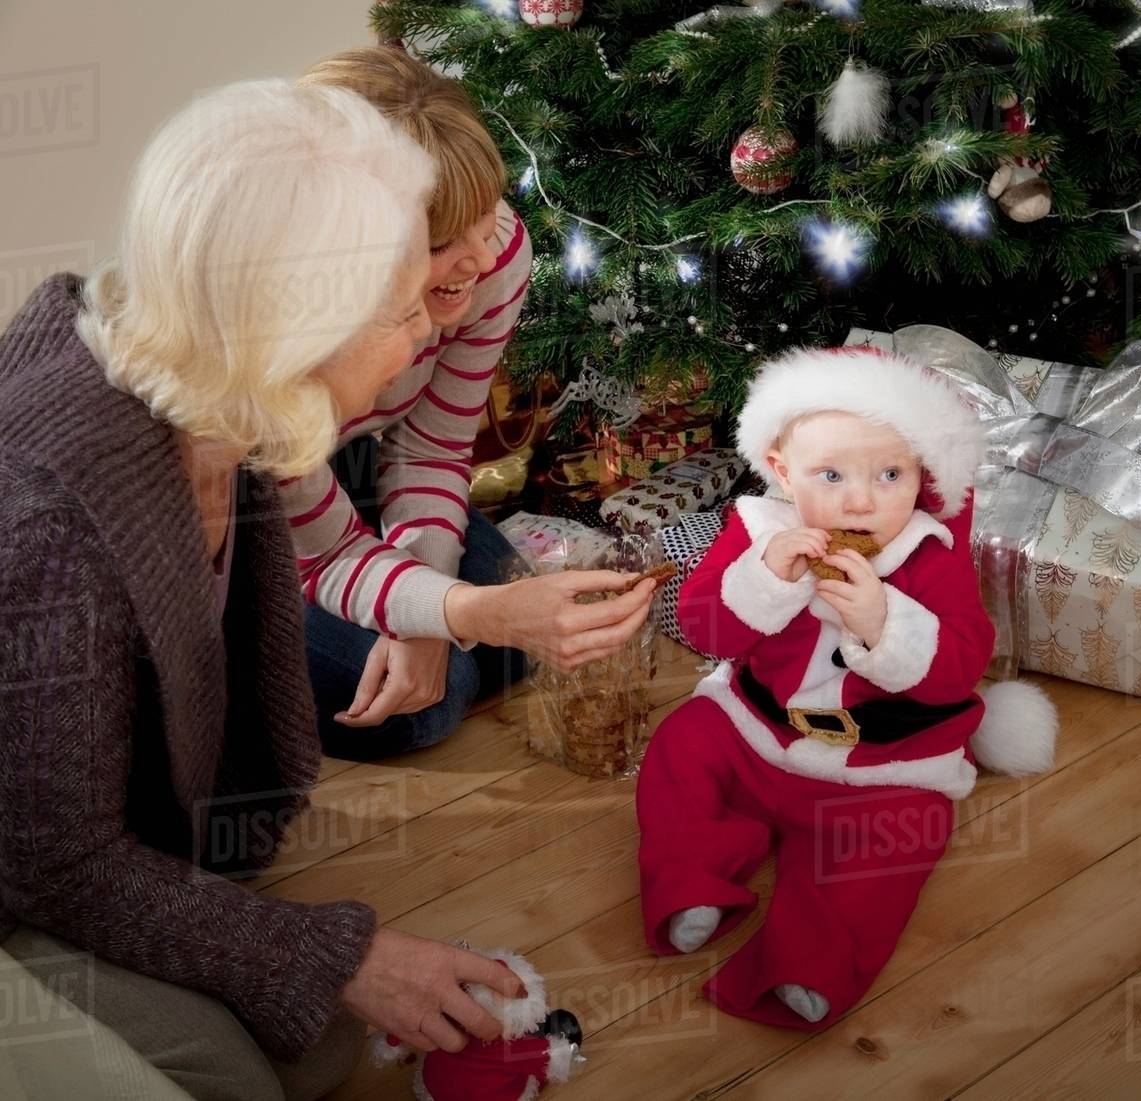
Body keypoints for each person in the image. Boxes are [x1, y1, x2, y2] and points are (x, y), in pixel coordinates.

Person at [0, 78, 653, 1101]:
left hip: (73, 837)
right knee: (241, 1076)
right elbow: (48, 860)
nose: (421, 346)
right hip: (25, 873)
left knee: (318, 1049)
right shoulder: (49, 518)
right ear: (301, 331)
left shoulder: (227, 399)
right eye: (403, 313)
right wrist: (340, 957)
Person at [636, 346, 1057, 1030]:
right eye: (830, 474)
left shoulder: (928, 554)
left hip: (880, 770)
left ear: (920, 475)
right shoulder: (759, 529)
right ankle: (690, 879)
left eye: (888, 474)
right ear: (781, 469)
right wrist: (767, 577)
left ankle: (810, 957)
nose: (860, 500)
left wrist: (885, 622)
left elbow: (959, 660)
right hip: (757, 732)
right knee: (682, 746)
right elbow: (703, 626)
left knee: (900, 839)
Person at [286, 46, 542, 760]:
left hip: (355, 460)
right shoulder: (278, 343)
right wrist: (426, 610)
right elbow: (322, 546)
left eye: (484, 217)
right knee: (423, 706)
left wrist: (425, 611)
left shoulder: (492, 257)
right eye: (438, 242)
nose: (481, 261)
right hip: (251, 513)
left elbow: (430, 445)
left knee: (511, 646)